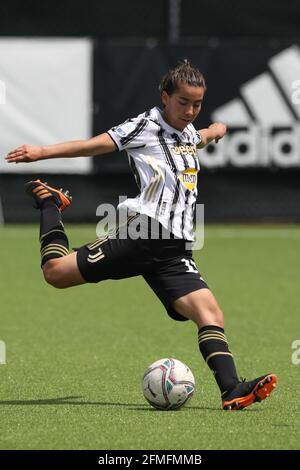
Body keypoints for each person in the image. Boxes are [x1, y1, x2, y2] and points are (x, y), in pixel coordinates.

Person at [5, 60, 277, 410]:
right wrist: (42, 153)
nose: (191, 111)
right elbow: (95, 145)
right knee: (55, 273)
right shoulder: (145, 126)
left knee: (211, 314)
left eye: (197, 104)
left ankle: (232, 389)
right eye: (183, 103)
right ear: (166, 97)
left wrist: (217, 128)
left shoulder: (189, 132)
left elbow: (202, 137)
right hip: (144, 232)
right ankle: (49, 203)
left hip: (176, 246)